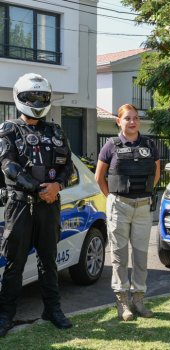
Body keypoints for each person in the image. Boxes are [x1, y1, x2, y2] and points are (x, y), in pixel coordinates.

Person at [0, 73, 73, 337]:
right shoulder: (8, 130)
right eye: (31, 97)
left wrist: (58, 186)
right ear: (19, 97)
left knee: (49, 261)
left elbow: (70, 169)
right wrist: (37, 188)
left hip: (49, 206)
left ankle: (52, 310)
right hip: (19, 206)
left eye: (41, 97)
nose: (36, 101)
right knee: (14, 263)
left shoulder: (56, 131)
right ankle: (5, 314)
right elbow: (8, 166)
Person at [95, 104, 160, 321]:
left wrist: (144, 194)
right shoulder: (110, 146)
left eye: (135, 118)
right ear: (119, 121)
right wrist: (113, 199)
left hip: (142, 207)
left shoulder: (150, 145)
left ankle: (139, 300)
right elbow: (99, 178)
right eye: (127, 119)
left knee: (141, 257)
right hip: (119, 206)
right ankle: (122, 302)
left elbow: (156, 174)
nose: (132, 122)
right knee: (120, 257)